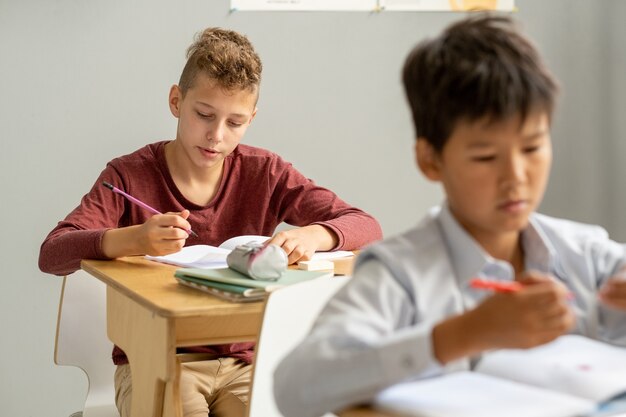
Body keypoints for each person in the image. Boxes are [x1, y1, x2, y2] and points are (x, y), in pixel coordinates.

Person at [273, 14, 626, 417]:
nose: (516, 177)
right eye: (485, 157)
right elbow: (295, 387)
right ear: (430, 160)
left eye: (532, 148)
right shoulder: (400, 275)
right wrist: (464, 334)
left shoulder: (588, 257)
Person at [38, 27, 382, 417]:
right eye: (204, 114)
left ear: (252, 119)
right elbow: (52, 253)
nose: (216, 135)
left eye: (235, 123)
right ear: (175, 101)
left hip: (246, 364)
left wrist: (315, 234)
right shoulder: (128, 175)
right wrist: (135, 239)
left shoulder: (265, 172)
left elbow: (366, 226)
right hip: (158, 360)